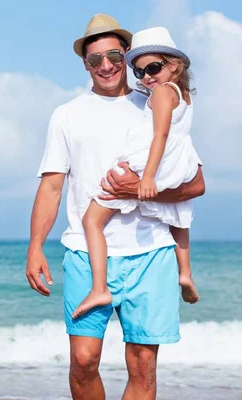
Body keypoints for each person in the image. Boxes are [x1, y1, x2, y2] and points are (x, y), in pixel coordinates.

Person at [25, 14, 205, 400]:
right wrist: (35, 246)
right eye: (94, 59)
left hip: (151, 251)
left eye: (113, 56)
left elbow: (195, 184)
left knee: (143, 365)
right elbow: (52, 186)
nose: (105, 65)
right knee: (84, 361)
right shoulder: (67, 115)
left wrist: (140, 190)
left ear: (126, 56)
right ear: (84, 64)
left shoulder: (158, 101)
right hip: (85, 252)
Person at [73, 26, 201, 319]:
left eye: (153, 68)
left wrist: (146, 177)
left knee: (91, 220)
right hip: (178, 164)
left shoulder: (159, 95)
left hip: (145, 162)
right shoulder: (184, 96)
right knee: (178, 216)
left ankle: (99, 288)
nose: (146, 77)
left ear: (174, 64)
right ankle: (185, 272)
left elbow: (159, 135)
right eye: (140, 72)